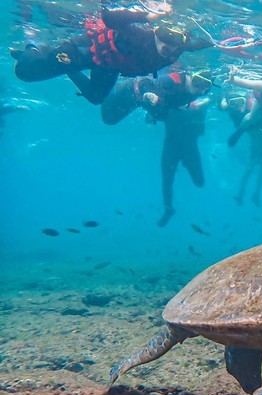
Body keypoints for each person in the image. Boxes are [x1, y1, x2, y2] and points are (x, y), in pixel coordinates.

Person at [10, 3, 213, 105]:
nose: (167, 46)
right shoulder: (140, 35)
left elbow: (202, 44)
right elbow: (108, 17)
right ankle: (33, 41)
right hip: (85, 50)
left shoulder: (181, 46)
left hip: (108, 66)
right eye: (163, 37)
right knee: (26, 71)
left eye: (175, 43)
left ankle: (64, 66)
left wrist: (218, 45)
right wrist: (149, 15)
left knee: (96, 97)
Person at [220, 91, 262, 207]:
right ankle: (244, 193)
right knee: (252, 169)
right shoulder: (233, 111)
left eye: (240, 102)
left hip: (261, 138)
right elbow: (223, 106)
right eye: (234, 103)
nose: (238, 107)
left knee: (259, 169)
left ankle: (254, 194)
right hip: (257, 138)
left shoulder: (257, 112)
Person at [157, 97, 210, 227]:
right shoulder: (169, 105)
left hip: (187, 149)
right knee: (167, 180)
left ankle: (186, 164)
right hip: (173, 149)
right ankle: (168, 209)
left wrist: (198, 106)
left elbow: (210, 99)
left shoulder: (196, 108)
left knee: (200, 182)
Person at [100, 69, 213, 125]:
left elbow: (173, 106)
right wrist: (154, 97)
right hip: (130, 91)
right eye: (197, 81)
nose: (198, 88)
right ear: (189, 76)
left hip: (143, 103)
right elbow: (146, 84)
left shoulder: (195, 93)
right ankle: (106, 80)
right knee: (108, 117)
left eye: (204, 86)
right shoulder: (173, 80)